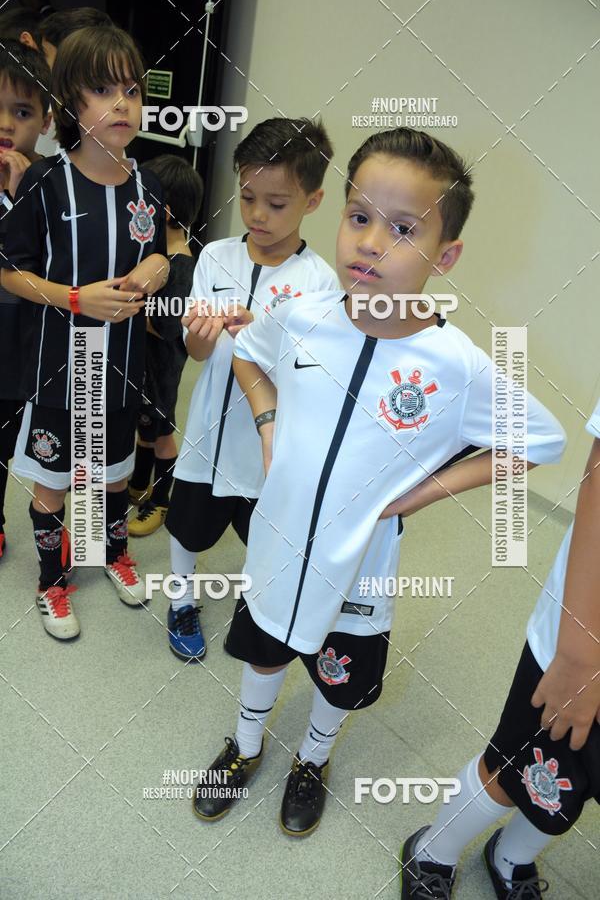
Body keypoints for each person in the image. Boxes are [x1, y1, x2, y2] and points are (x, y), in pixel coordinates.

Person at [190, 127, 567, 838]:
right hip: (281, 531)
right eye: (359, 217)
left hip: (363, 555)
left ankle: (313, 759)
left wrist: (418, 493)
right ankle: (244, 748)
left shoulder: (454, 364)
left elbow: (540, 438)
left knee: (338, 669)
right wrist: (269, 426)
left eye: (401, 229)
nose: (369, 242)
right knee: (264, 644)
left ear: (445, 255)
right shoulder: (303, 314)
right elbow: (250, 353)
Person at [0, 26, 168, 640]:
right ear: (71, 103)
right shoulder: (47, 182)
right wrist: (74, 297)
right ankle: (51, 582)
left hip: (121, 364)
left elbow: (163, 252)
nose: (123, 103)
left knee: (115, 472)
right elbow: (8, 269)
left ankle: (111, 552)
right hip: (58, 367)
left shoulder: (145, 183)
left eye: (132, 89)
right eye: (103, 89)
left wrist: (154, 270)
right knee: (55, 482)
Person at [399, 398, 600, 899]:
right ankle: (434, 851)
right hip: (585, 644)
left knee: (579, 784)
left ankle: (510, 858)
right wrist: (578, 655)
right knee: (519, 768)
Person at [162, 116, 339, 662]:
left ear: (313, 200)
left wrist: (260, 332)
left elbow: (314, 376)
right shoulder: (216, 257)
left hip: (268, 442)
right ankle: (180, 596)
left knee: (263, 533)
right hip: (209, 428)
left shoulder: (319, 282)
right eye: (248, 197)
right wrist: (197, 333)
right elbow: (195, 352)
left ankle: (259, 606)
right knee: (188, 523)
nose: (259, 215)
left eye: (278, 203)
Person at [128, 154, 204, 537]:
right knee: (147, 426)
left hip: (162, 367)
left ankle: (160, 500)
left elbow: (168, 327)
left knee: (162, 433)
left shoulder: (180, 266)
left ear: (164, 210)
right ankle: (139, 484)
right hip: (147, 366)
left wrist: (128, 310)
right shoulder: (161, 256)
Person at [0, 40, 51, 562]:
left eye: (21, 111)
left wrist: (19, 198)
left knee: (22, 436)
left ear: (47, 118)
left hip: (30, 337)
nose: (6, 124)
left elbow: (47, 264)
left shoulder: (50, 182)